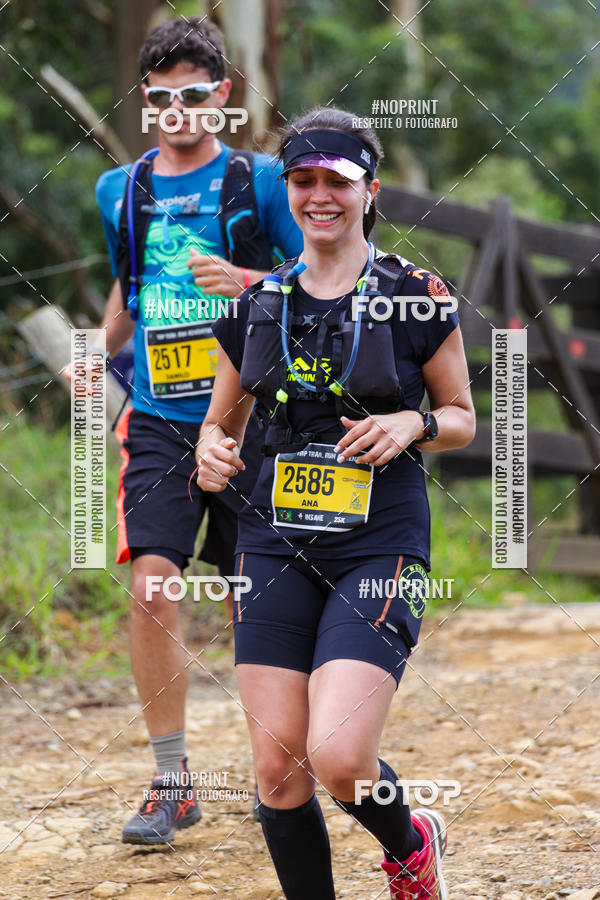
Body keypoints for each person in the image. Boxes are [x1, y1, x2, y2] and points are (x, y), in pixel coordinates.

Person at [196, 108, 475, 898]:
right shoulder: (259, 304)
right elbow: (223, 424)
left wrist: (412, 422)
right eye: (305, 180)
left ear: (369, 191)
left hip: (379, 541)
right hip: (271, 540)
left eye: (338, 182)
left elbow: (460, 416)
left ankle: (412, 841)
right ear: (288, 190)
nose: (321, 196)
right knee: (278, 766)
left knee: (340, 758)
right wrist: (211, 450)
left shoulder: (416, 293)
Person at [90, 18, 302, 845]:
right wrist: (91, 354)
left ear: (222, 95)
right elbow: (128, 292)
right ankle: (172, 779)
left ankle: (272, 775)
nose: (177, 109)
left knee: (256, 594)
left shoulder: (264, 180)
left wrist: (246, 280)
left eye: (193, 94)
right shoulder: (122, 190)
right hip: (158, 418)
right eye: (160, 95)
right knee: (152, 586)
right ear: (146, 101)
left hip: (254, 420)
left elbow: (317, 282)